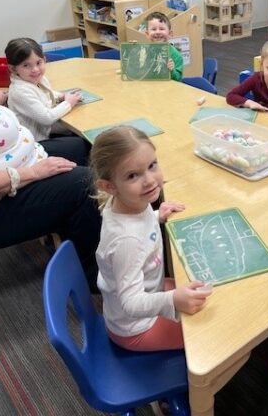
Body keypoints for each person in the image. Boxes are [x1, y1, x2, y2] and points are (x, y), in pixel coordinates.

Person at [90, 125, 212, 351]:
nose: (149, 180)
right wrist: (172, 299)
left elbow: (137, 228)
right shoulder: (128, 241)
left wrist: (156, 216)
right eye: (133, 175)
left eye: (152, 165)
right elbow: (131, 303)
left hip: (150, 289)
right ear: (109, 186)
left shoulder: (128, 204)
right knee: (207, 335)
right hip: (136, 329)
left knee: (203, 291)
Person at [0, 90, 101, 285]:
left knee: (81, 146)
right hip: (0, 200)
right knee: (86, 184)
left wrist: (0, 96)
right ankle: (91, 276)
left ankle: (75, 229)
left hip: (23, 160)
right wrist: (34, 172)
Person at [5, 37, 89, 164]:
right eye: (26, 65)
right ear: (13, 69)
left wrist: (61, 96)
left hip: (47, 132)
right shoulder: (19, 91)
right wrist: (68, 103)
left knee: (80, 133)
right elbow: (46, 117)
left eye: (38, 63)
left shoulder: (37, 79)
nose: (35, 70)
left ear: (44, 60)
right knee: (81, 144)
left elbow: (45, 93)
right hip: (35, 143)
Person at [144, 12, 183, 81]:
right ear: (147, 34)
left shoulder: (176, 55)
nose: (158, 32)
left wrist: (172, 70)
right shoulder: (144, 52)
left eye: (162, 29)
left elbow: (178, 79)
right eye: (153, 29)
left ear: (170, 33)